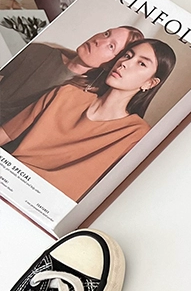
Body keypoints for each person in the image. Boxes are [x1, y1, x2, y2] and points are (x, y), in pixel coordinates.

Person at [0, 38, 177, 202]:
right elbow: (6, 134)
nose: (124, 63)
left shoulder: (137, 135)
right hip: (8, 180)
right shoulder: (66, 93)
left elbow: (112, 193)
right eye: (127, 55)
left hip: (46, 206)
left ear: (150, 83)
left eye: (141, 63)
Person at [0, 25, 144, 125]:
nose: (98, 41)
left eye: (111, 46)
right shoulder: (39, 51)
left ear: (111, 64)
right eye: (106, 33)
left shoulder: (84, 96)